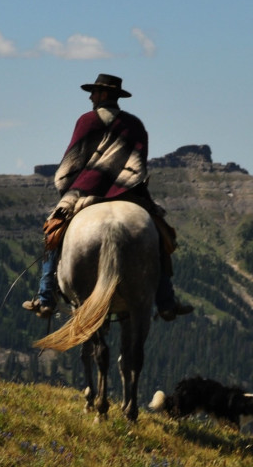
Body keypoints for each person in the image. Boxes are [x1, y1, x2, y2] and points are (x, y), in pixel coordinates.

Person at [23, 73, 193, 321]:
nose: (91, 97)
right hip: (129, 192)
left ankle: (46, 297)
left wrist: (69, 185)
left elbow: (71, 161)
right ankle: (166, 301)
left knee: (53, 232)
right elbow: (138, 163)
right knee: (160, 236)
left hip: (85, 190)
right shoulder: (134, 125)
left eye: (94, 92)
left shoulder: (87, 121)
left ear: (103, 94)